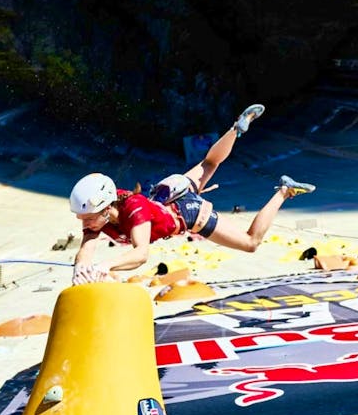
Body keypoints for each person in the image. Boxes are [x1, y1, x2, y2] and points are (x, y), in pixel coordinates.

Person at [69, 104, 316, 284]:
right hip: (167, 193)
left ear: (106, 207)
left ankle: (284, 191)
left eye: (88, 217)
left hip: (187, 212)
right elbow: (86, 248)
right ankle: (235, 129)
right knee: (209, 164)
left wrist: (106, 265)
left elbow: (141, 254)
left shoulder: (134, 209)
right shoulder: (100, 211)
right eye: (83, 218)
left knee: (251, 243)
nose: (85, 223)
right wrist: (80, 268)